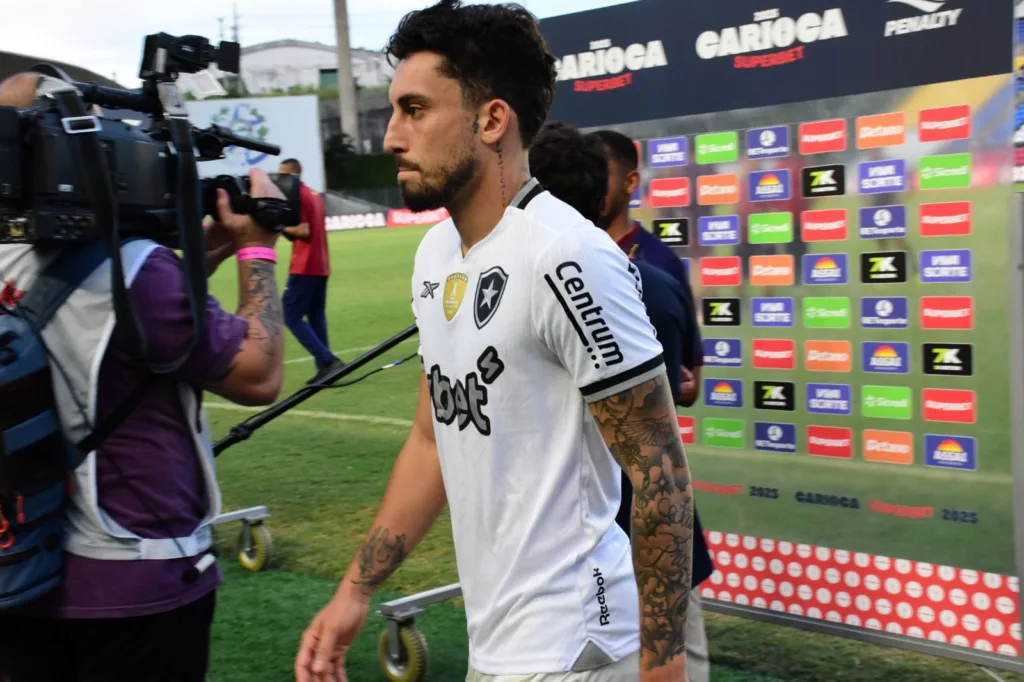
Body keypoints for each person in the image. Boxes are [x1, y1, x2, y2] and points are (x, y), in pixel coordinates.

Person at [295, 3, 695, 682]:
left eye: (415, 109)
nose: (391, 136)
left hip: (582, 646)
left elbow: (661, 478)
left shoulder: (569, 257)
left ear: (490, 120)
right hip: (498, 645)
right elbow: (432, 439)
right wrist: (356, 590)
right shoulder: (435, 254)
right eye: (394, 111)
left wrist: (663, 667)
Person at [0, 71, 287, 681]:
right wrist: (259, 251)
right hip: (133, 576)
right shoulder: (138, 272)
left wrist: (194, 261)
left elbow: (99, 320)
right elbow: (257, 374)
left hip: (19, 572)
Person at [530, 120, 715, 682]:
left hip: (631, 523)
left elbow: (684, 389)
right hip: (577, 540)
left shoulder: (652, 272)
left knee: (671, 657)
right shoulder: (537, 279)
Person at [592, 129, 702, 407]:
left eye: (601, 174)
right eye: (586, 174)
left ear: (630, 182)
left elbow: (691, 387)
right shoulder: (563, 250)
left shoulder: (662, 262)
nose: (590, 184)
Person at [278, 158, 344, 384]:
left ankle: (328, 360)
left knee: (289, 313)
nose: (280, 180)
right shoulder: (315, 196)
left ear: (292, 174)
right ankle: (327, 371)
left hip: (304, 265)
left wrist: (278, 227)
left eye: (283, 175)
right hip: (321, 264)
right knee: (316, 317)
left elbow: (303, 231)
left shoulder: (299, 196)